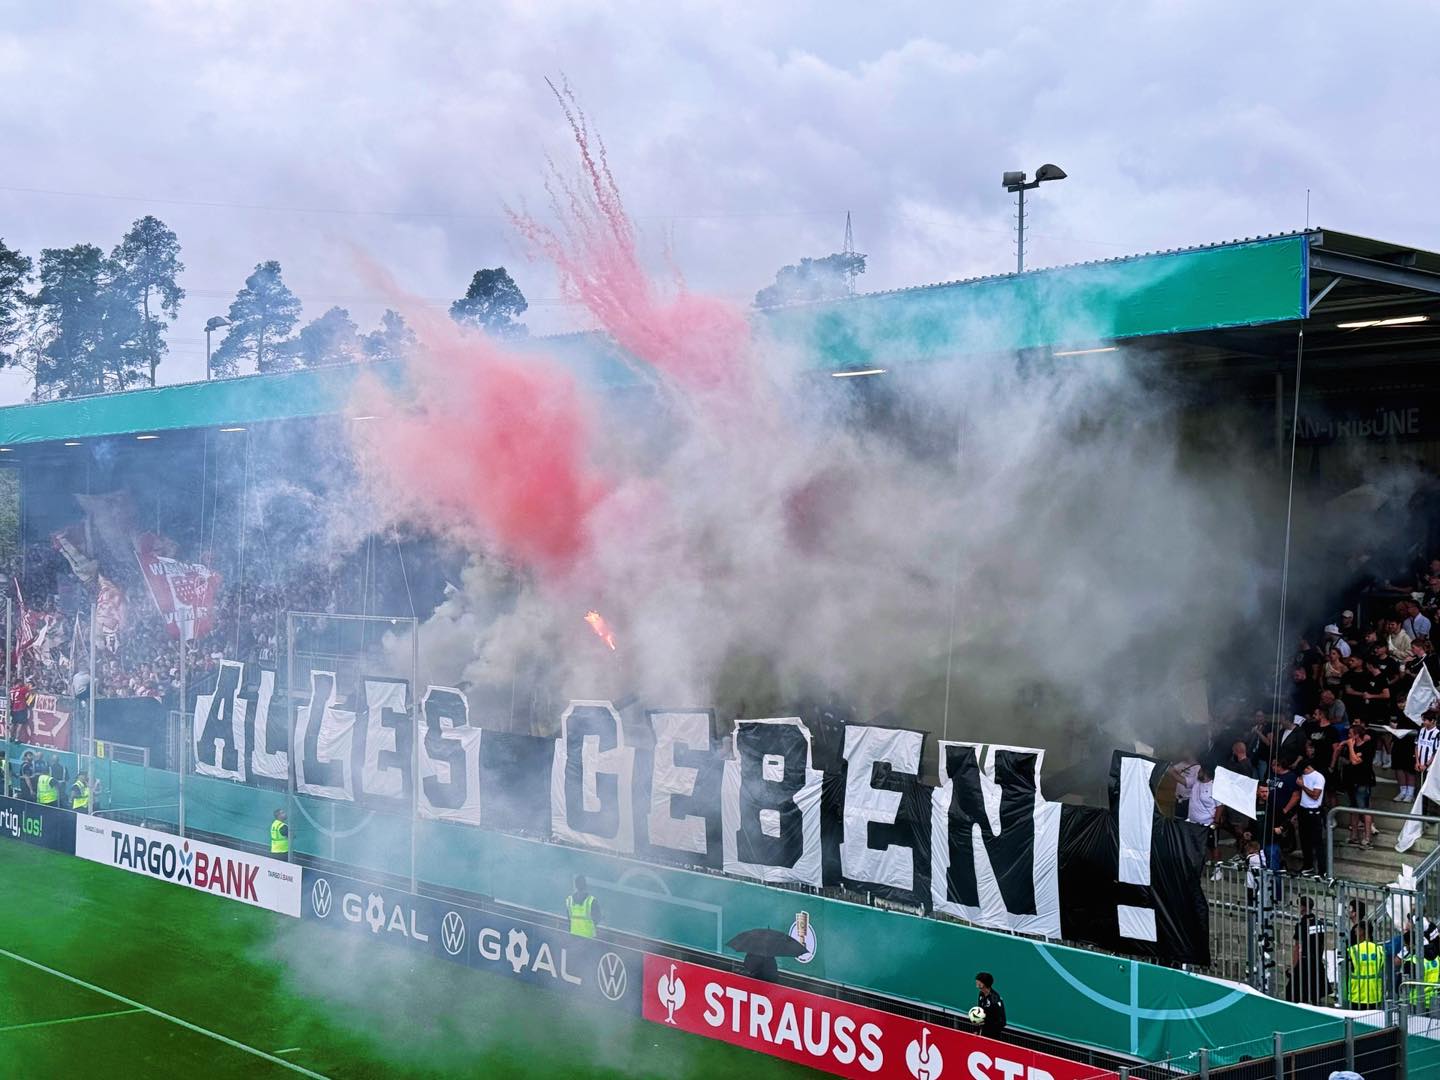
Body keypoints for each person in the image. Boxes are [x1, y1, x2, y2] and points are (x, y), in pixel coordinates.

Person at [1341, 719, 1378, 848]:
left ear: (1356, 735)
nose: (1348, 737)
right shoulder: (1348, 747)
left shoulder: (1367, 746)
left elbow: (1355, 761)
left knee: (1364, 809)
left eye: (1350, 734)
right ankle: (1354, 836)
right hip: (1351, 781)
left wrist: (1351, 747)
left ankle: (1367, 838)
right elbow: (1347, 761)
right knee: (1353, 809)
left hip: (1363, 781)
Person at [1292, 896, 1327, 1004]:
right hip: (1317, 962)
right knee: (1316, 995)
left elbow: (1298, 947)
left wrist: (1293, 967)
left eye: (1299, 906)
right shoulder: (1320, 923)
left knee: (1298, 995)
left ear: (1303, 907)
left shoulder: (1301, 925)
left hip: (1305, 963)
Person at [1297, 760, 1327, 878]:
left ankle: (1322, 870)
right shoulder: (1302, 776)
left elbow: (1315, 795)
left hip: (1314, 812)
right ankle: (1308, 865)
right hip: (1303, 810)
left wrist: (1303, 786)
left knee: (1317, 842)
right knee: (1304, 841)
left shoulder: (1318, 777)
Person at [1346, 924, 1385, 1009]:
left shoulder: (1352, 950)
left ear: (1361, 932)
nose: (1354, 934)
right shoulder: (1379, 950)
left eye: (1356, 932)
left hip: (1356, 995)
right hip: (1375, 995)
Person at [973, 972, 1007, 1038]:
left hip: (993, 1034)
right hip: (983, 1030)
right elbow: (979, 1012)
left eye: (978, 982)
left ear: (985, 983)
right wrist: (976, 1029)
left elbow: (1002, 1021)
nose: (976, 983)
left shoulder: (995, 999)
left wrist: (989, 1026)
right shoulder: (981, 994)